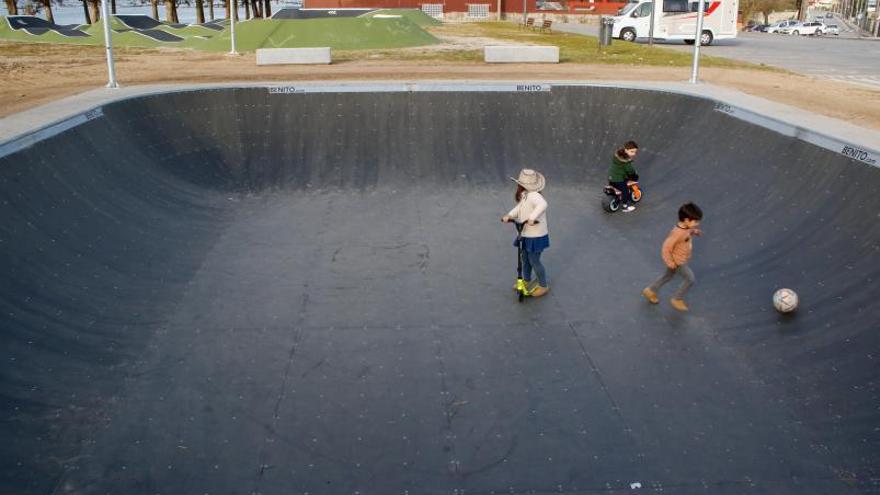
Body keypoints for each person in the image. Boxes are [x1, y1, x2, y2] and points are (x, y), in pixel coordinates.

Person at [642, 202, 703, 312]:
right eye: (695, 222)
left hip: (678, 260)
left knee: (667, 277)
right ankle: (676, 298)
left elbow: (688, 232)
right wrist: (670, 262)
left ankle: (650, 290)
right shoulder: (677, 233)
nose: (697, 224)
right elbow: (666, 248)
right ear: (686, 220)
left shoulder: (686, 228)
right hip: (677, 261)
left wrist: (694, 231)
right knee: (690, 279)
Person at [501, 169, 550, 298]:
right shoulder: (525, 194)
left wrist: (532, 218)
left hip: (536, 235)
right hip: (525, 233)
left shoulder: (535, 196)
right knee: (525, 259)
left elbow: (543, 204)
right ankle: (526, 280)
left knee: (534, 260)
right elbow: (520, 207)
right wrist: (510, 215)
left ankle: (543, 285)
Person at [607, 141, 640, 212]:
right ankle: (625, 207)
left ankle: (617, 195)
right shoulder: (625, 161)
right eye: (632, 151)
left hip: (611, 177)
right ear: (626, 150)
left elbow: (621, 169)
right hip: (617, 179)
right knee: (625, 192)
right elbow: (630, 170)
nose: (634, 154)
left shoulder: (618, 157)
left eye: (635, 152)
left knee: (623, 182)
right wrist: (635, 175)